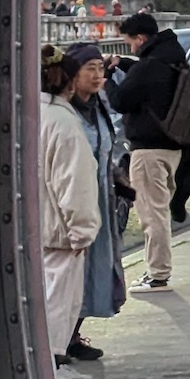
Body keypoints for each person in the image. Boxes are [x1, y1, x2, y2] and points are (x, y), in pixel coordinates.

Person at [107, 11, 190, 293]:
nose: (130, 48)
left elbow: (120, 100)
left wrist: (108, 76)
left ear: (140, 39)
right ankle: (159, 270)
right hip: (172, 148)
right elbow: (149, 79)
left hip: (149, 151)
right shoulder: (173, 58)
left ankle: (157, 275)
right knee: (159, 211)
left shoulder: (148, 67)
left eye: (129, 43)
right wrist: (128, 64)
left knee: (151, 215)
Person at [61, 42, 128, 362]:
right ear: (72, 74)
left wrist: (118, 176)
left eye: (101, 68)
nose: (98, 75)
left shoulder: (99, 104)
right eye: (90, 69)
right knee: (69, 272)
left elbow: (106, 146)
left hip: (99, 199)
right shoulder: (61, 111)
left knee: (94, 270)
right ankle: (59, 339)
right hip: (71, 202)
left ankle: (73, 334)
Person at [38, 47, 98, 379]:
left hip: (39, 225)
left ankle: (50, 361)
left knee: (46, 297)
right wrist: (83, 230)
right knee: (60, 301)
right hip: (62, 230)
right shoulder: (64, 123)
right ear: (70, 83)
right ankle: (54, 363)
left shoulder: (31, 116)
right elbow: (74, 183)